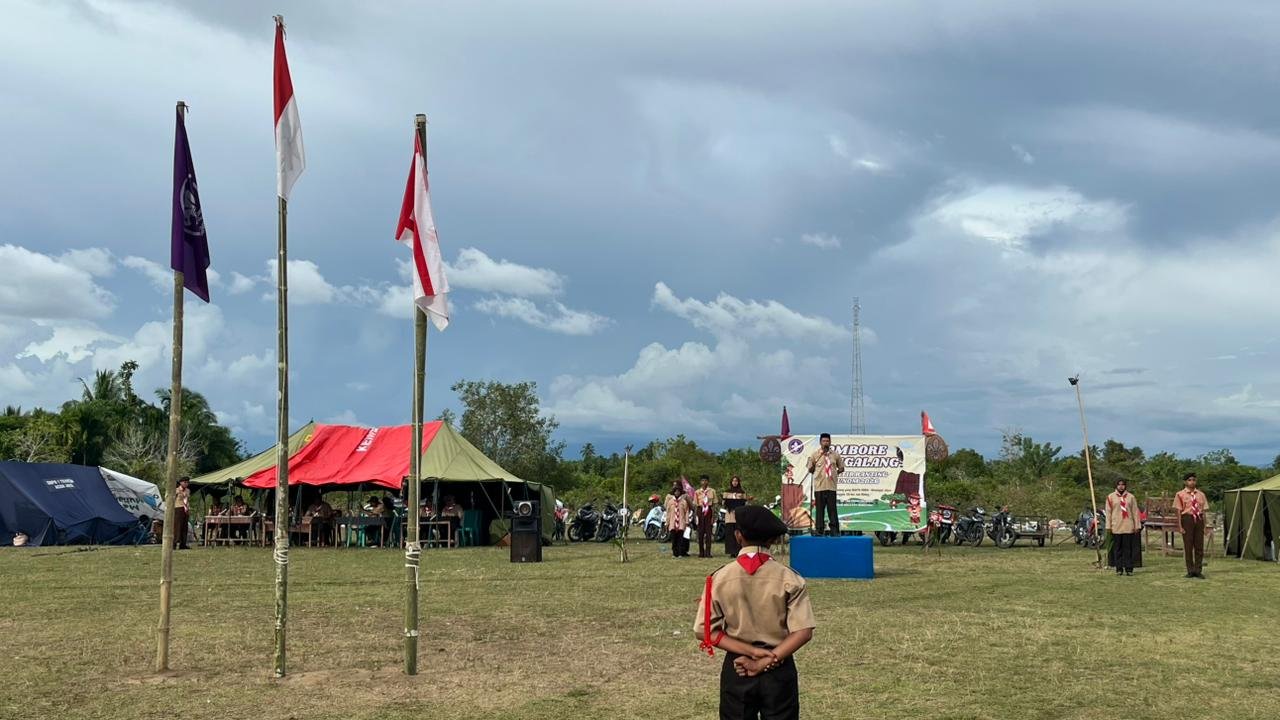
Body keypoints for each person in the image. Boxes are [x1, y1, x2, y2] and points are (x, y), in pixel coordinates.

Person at [694, 506, 815, 720]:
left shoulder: (719, 578)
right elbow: (803, 632)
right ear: (772, 540)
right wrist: (767, 659)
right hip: (779, 664)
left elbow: (705, 631)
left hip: (737, 665)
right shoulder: (790, 578)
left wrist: (751, 652)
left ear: (738, 536)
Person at [806, 433, 845, 536]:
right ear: (820, 442)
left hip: (831, 486)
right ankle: (819, 530)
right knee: (820, 510)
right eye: (823, 441)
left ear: (830, 442)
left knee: (832, 509)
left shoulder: (835, 455)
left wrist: (834, 473)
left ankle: (834, 531)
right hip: (819, 486)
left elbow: (841, 468)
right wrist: (812, 466)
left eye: (827, 441)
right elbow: (810, 469)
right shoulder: (815, 455)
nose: (825, 443)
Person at [1174, 472, 1208, 579]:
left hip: (1199, 519)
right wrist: (1180, 526)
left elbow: (1204, 511)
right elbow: (1178, 511)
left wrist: (1205, 525)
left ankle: (1198, 570)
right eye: (1189, 480)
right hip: (1187, 518)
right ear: (1185, 482)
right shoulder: (1180, 494)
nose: (1192, 482)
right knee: (1188, 546)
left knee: (1199, 546)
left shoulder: (1201, 494)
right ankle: (1190, 570)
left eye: (1193, 480)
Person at [1106, 479, 1141, 575]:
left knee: (1127, 549)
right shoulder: (1111, 497)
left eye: (1123, 485)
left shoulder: (1131, 497)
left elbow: (1135, 512)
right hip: (1116, 526)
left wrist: (1137, 525)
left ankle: (1129, 569)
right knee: (1118, 549)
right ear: (1116, 486)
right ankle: (1119, 568)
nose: (1121, 487)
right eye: (1119, 485)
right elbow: (1108, 512)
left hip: (1128, 526)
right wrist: (1108, 526)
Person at [722, 476, 749, 557]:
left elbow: (745, 503)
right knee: (730, 533)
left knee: (738, 533)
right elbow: (723, 503)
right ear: (731, 482)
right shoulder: (727, 492)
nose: (735, 482)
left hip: (739, 516)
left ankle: (738, 551)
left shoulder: (742, 492)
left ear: (738, 482)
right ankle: (731, 551)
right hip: (730, 515)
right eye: (733, 481)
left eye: (736, 481)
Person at [666, 484, 693, 558]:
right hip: (673, 523)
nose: (677, 493)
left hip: (681, 523)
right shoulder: (670, 502)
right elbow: (668, 513)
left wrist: (687, 522)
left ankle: (680, 553)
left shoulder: (683, 502)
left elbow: (686, 512)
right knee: (674, 539)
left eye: (678, 491)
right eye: (675, 491)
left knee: (680, 539)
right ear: (673, 492)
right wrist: (667, 522)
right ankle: (675, 553)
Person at [695, 475, 719, 558]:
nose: (704, 482)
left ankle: (708, 552)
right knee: (700, 533)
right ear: (700, 482)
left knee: (708, 533)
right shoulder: (697, 492)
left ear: (708, 482)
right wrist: (696, 516)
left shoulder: (712, 491)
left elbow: (715, 504)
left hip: (709, 511)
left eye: (705, 480)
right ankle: (701, 552)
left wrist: (714, 516)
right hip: (700, 511)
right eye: (702, 480)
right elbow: (696, 505)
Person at [173, 477, 191, 550]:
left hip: (185, 509)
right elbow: (173, 500)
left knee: (185, 527)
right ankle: (174, 543)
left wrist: (188, 509)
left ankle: (183, 544)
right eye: (184, 482)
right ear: (180, 482)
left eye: (187, 482)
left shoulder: (188, 490)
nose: (186, 484)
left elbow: (187, 500)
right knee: (177, 527)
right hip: (178, 508)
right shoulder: (176, 490)